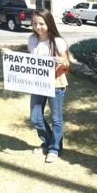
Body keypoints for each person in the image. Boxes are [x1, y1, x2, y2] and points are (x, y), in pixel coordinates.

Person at [28, 9, 70, 163]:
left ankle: (54, 148)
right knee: (35, 117)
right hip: (38, 85)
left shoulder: (58, 41)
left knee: (56, 118)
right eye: (35, 24)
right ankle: (49, 141)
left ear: (49, 23)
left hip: (56, 84)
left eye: (41, 23)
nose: (38, 27)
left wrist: (62, 62)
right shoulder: (32, 40)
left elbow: (67, 66)